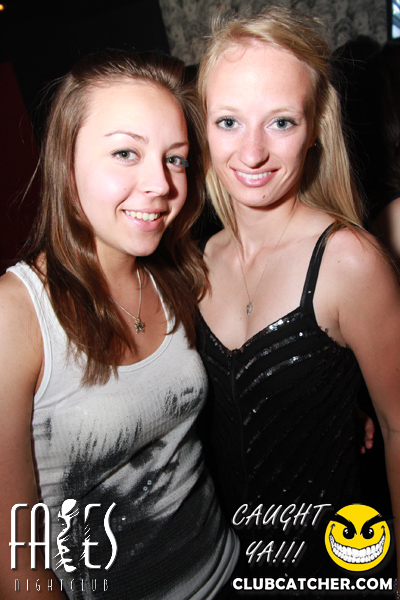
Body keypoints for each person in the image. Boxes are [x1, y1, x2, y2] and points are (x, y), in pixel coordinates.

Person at [0, 50, 239, 600]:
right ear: (66, 162)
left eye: (175, 159)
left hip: (227, 569)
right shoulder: (18, 315)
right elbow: (14, 562)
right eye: (126, 152)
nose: (160, 183)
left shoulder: (177, 276)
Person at [195, 5, 400, 593]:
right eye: (228, 121)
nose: (252, 152)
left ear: (314, 129)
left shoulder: (348, 261)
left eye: (281, 122)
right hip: (227, 568)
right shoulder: (198, 260)